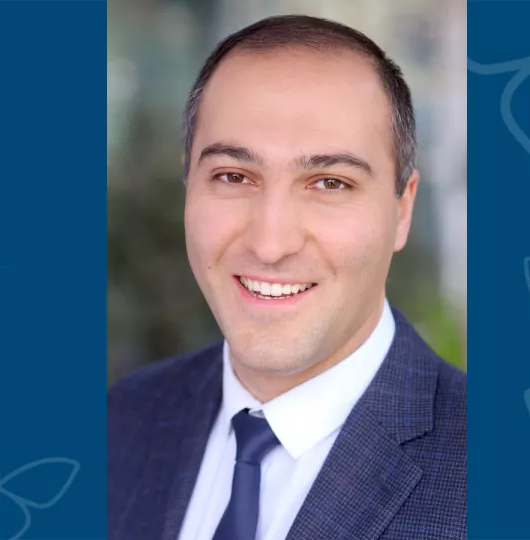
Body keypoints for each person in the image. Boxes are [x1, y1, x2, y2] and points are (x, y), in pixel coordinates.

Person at [108, 14, 467, 540]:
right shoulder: (123, 419)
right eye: (233, 176)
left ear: (403, 210)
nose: (270, 244)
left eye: (329, 183)